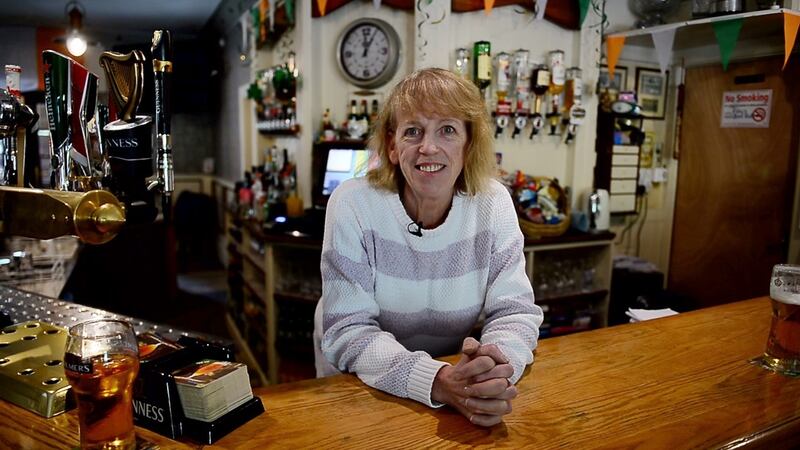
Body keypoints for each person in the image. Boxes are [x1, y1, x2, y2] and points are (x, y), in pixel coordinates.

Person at [314, 68, 542, 427]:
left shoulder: (494, 203)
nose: (428, 147)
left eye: (447, 130)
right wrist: (435, 380)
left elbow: (515, 312)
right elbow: (349, 329)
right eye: (413, 131)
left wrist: (493, 372)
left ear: (469, 144)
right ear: (392, 146)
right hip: (361, 382)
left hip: (453, 381)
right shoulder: (352, 203)